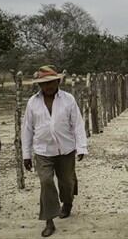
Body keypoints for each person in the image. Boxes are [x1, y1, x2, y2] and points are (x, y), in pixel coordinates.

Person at [21, 65, 88, 237]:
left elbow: (78, 124)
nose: (48, 86)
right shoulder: (32, 102)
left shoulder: (68, 99)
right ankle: (49, 220)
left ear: (58, 81)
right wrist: (26, 155)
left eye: (51, 82)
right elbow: (27, 129)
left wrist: (81, 147)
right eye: (44, 84)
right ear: (39, 86)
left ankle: (67, 203)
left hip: (66, 149)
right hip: (43, 151)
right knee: (46, 182)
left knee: (66, 181)